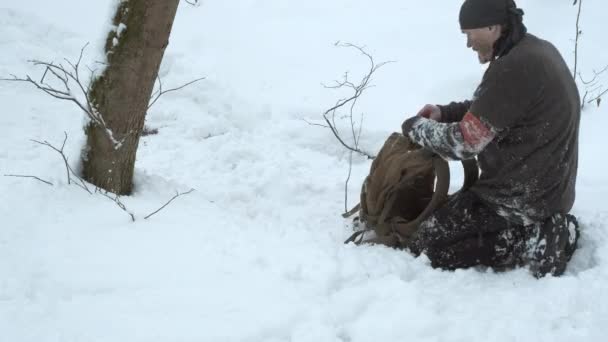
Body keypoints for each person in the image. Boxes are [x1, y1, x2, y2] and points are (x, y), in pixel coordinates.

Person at [400, 0, 581, 277]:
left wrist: (416, 128)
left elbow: (463, 143)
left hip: (516, 199)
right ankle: (544, 226)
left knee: (428, 245)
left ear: (492, 26)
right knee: (439, 231)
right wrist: (443, 113)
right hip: (546, 191)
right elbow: (492, 107)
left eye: (469, 34)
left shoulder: (514, 67)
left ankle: (535, 242)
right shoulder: (535, 51)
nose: (469, 44)